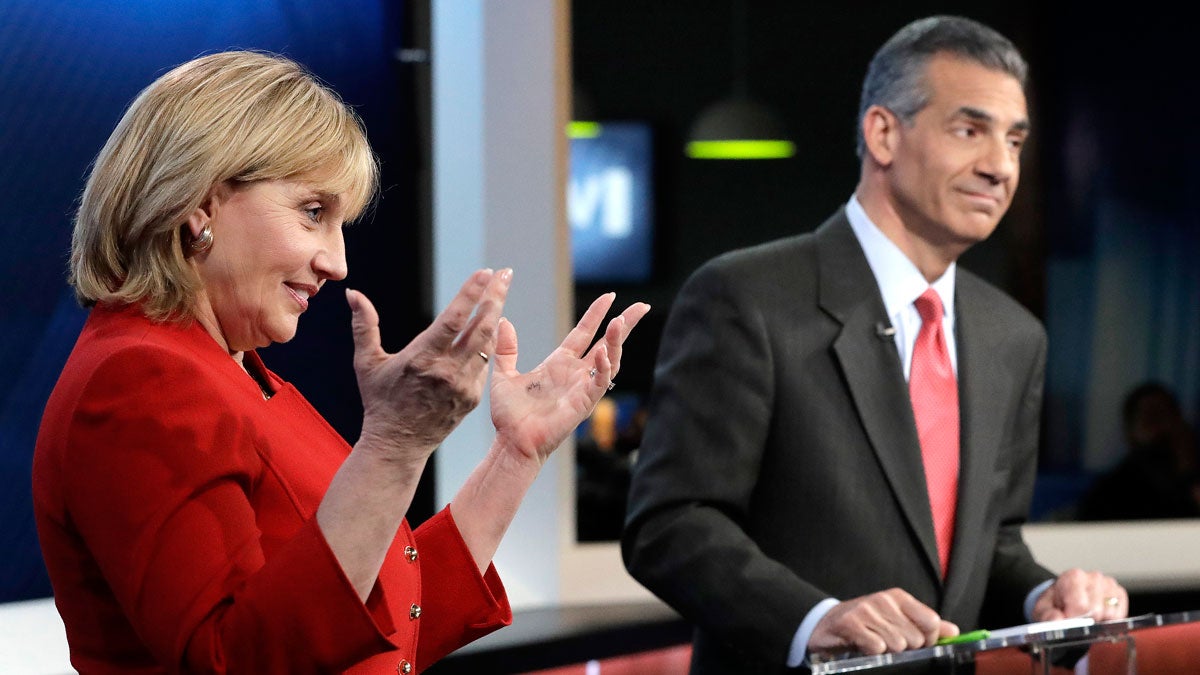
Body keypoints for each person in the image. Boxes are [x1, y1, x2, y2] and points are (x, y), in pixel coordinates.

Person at [31, 50, 649, 674]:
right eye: (314, 213)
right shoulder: (143, 381)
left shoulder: (233, 373)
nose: (338, 261)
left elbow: (372, 625)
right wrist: (395, 446)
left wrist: (515, 457)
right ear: (201, 203)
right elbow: (233, 661)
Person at [622, 15, 1126, 674]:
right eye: (969, 130)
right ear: (883, 133)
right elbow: (671, 521)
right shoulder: (747, 297)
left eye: (1015, 140)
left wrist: (1043, 596)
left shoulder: (1014, 335)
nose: (1001, 166)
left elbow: (986, 544)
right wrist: (812, 619)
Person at [1075, 381, 1200, 521]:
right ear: (1130, 431)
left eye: (1170, 416)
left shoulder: (1191, 476)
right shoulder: (1111, 492)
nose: (1165, 427)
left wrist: (1187, 474)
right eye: (1152, 418)